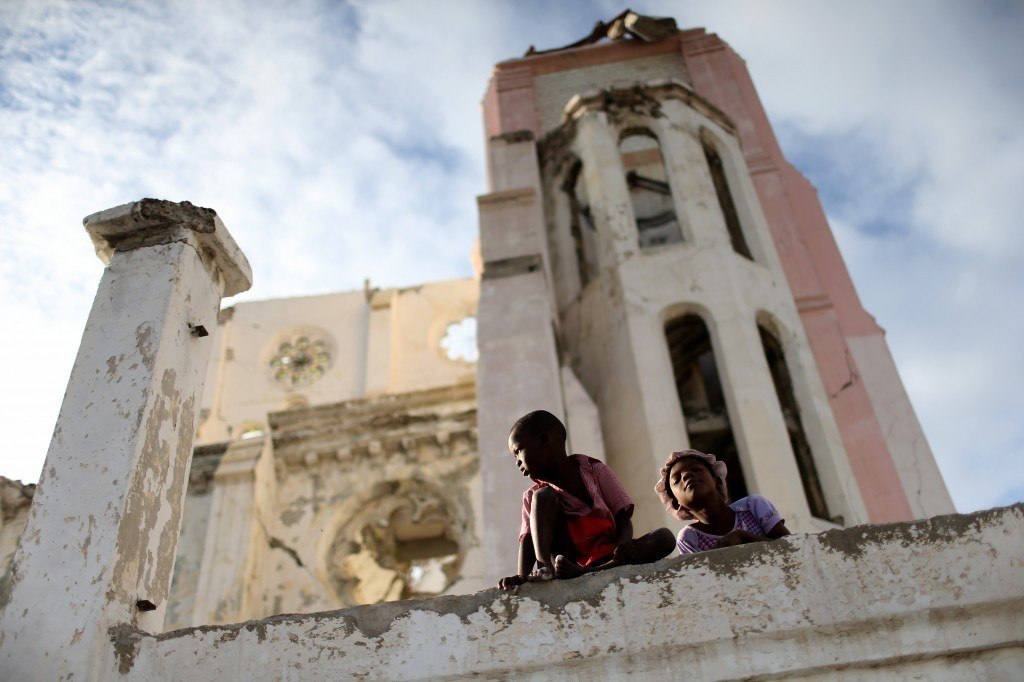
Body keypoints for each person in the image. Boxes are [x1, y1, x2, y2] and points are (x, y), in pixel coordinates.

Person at [498, 410, 675, 590]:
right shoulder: (533, 496)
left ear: (544, 441)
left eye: (518, 451)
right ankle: (545, 569)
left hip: (611, 557)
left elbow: (622, 517)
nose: (517, 462)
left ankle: (590, 572)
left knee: (664, 537)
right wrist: (522, 576)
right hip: (565, 563)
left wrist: (624, 542)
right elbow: (528, 541)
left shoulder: (595, 470)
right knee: (542, 496)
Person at [654, 449, 790, 554]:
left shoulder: (753, 506)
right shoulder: (689, 538)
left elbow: (791, 546)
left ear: (717, 480)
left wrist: (743, 537)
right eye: (677, 479)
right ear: (676, 503)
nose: (687, 475)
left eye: (696, 469)